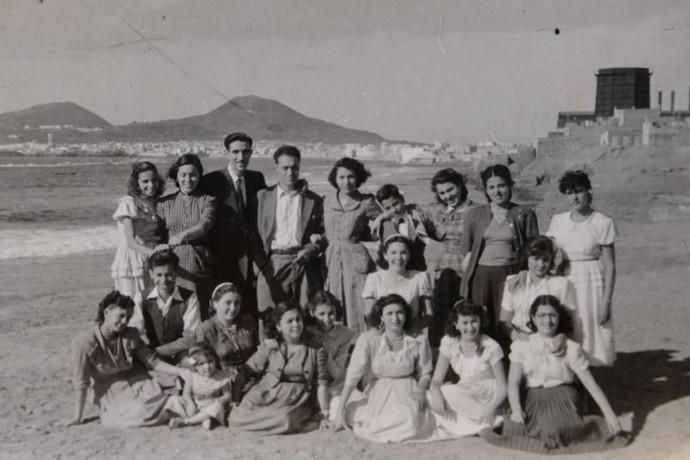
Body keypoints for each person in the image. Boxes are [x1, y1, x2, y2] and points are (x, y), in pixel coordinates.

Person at [480, 295, 628, 454]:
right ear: (533, 318)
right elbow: (513, 382)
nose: (547, 321)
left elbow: (590, 384)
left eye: (552, 315)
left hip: (563, 396)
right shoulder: (521, 346)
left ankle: (590, 426)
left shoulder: (571, 348)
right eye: (542, 315)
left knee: (553, 431)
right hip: (532, 397)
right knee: (513, 427)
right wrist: (516, 410)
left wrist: (610, 416)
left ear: (559, 318)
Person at [333, 294, 441, 443]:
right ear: (381, 317)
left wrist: (421, 389)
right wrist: (340, 412)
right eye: (389, 313)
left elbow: (425, 373)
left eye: (399, 312)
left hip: (408, 389)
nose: (395, 318)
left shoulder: (418, 339)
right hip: (379, 391)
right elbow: (352, 377)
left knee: (411, 420)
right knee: (376, 423)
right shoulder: (369, 339)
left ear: (406, 315)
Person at [67, 291, 183, 428]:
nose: (124, 322)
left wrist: (180, 371)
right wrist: (77, 417)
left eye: (128, 318)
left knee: (158, 396)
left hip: (136, 379)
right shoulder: (83, 342)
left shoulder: (131, 333)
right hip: (108, 388)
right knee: (136, 411)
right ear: (106, 312)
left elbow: (152, 361)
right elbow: (81, 382)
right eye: (121, 316)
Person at [546, 170, 617, 367]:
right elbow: (550, 256)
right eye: (569, 192)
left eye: (579, 191)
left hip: (592, 282)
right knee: (567, 326)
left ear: (589, 192)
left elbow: (610, 265)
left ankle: (589, 387)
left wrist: (606, 301)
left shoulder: (602, 222)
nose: (574, 197)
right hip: (565, 280)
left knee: (590, 332)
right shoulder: (558, 221)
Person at [460, 164, 539, 340]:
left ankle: (512, 364)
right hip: (482, 276)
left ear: (510, 185)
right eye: (491, 187)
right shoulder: (474, 214)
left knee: (511, 322)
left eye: (501, 185)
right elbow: (466, 248)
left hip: (512, 275)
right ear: (486, 190)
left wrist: (525, 273)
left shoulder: (524, 213)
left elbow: (534, 249)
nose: (497, 191)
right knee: (482, 322)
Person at [228, 301, 330, 434]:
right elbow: (245, 372)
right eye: (290, 321)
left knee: (286, 419)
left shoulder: (315, 348)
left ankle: (295, 423)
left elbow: (322, 383)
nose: (295, 324)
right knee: (235, 418)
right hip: (266, 391)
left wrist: (323, 413)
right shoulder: (271, 346)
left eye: (298, 319)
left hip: (297, 398)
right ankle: (276, 422)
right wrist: (235, 399)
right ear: (279, 326)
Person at [201, 132, 267, 325]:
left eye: (245, 152)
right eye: (235, 152)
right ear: (227, 153)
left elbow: (269, 204)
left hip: (252, 255)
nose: (241, 157)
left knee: (248, 306)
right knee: (224, 307)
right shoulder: (211, 181)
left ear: (251, 153)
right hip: (223, 256)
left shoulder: (257, 178)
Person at [254, 146, 326, 316]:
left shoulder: (312, 199)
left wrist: (311, 249)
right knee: (269, 317)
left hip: (302, 261)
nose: (290, 172)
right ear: (276, 168)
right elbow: (252, 234)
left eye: (294, 167)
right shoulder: (262, 197)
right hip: (272, 262)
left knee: (304, 315)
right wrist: (260, 265)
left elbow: (325, 233)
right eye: (285, 168)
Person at [429, 301, 507, 436]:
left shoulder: (491, 346)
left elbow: (503, 386)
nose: (470, 327)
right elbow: (436, 380)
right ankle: (483, 424)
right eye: (465, 323)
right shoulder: (449, 342)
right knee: (431, 396)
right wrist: (436, 393)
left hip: (488, 394)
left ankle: (484, 419)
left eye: (474, 321)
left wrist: (491, 408)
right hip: (465, 391)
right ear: (456, 324)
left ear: (480, 322)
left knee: (447, 391)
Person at [323, 157, 379, 333]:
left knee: (358, 306)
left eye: (351, 177)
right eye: (341, 177)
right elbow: (323, 228)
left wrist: (383, 218)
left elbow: (386, 222)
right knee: (334, 304)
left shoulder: (366, 202)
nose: (346, 182)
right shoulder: (326, 200)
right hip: (331, 261)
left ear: (358, 177)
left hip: (356, 262)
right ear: (335, 178)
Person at [157, 153, 216, 319]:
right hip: (173, 267)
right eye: (183, 175)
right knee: (175, 312)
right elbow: (156, 235)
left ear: (199, 176)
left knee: (201, 310)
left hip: (199, 263)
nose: (188, 179)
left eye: (193, 175)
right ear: (176, 175)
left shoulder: (208, 200)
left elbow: (204, 226)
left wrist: (181, 236)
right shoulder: (163, 203)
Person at [422, 168, 474, 348]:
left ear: (460, 185)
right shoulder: (437, 211)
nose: (447, 196)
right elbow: (406, 210)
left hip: (466, 270)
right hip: (441, 272)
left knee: (465, 317)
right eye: (442, 193)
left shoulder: (475, 210)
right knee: (440, 318)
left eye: (450, 190)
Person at [499, 236, 576, 349]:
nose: (541, 264)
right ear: (527, 258)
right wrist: (516, 336)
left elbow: (569, 323)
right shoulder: (514, 281)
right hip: (519, 342)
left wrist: (560, 338)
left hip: (550, 343)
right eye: (536, 258)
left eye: (546, 259)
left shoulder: (562, 284)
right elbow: (504, 321)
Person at [130, 249, 200, 363]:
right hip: (149, 353)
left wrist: (161, 351)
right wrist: (148, 351)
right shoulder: (141, 297)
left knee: (193, 365)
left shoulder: (189, 298)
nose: (164, 280)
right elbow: (137, 332)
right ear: (151, 274)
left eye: (169, 275)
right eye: (159, 275)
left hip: (181, 353)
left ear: (176, 272)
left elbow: (191, 337)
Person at [110, 161, 166, 298]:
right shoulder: (128, 203)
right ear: (136, 183)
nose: (151, 185)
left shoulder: (156, 203)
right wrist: (154, 254)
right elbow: (130, 241)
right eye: (145, 181)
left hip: (150, 256)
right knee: (133, 303)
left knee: (152, 302)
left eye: (154, 180)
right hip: (133, 259)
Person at [195, 282, 257, 402]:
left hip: (251, 375)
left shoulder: (248, 321)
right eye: (228, 303)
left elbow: (257, 350)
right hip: (222, 380)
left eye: (237, 303)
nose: (233, 308)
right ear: (215, 303)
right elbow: (201, 361)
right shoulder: (206, 329)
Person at [362, 235, 432, 335]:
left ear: (409, 255)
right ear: (385, 255)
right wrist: (378, 333)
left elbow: (429, 314)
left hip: (410, 334)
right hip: (382, 334)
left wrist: (414, 329)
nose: (398, 257)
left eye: (403, 252)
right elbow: (368, 314)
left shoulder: (419, 278)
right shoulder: (374, 279)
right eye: (393, 252)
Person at [305, 290, 357, 422]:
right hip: (308, 385)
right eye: (321, 314)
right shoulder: (306, 331)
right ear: (312, 313)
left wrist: (323, 351)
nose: (327, 319)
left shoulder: (345, 334)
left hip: (334, 385)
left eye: (331, 313)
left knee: (346, 411)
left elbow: (337, 373)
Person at [167, 343, 234, 430]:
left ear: (215, 360)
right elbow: (186, 394)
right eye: (201, 364)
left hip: (211, 405)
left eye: (210, 361)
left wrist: (219, 400)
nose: (207, 366)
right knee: (174, 399)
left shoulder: (221, 376)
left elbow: (227, 395)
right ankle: (201, 418)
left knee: (217, 406)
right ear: (194, 366)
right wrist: (190, 403)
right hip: (196, 405)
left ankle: (187, 421)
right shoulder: (192, 376)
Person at [371, 183, 433, 271]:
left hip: (416, 270)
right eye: (388, 208)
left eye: (396, 204)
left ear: (402, 199)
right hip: (392, 273)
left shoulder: (416, 216)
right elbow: (381, 252)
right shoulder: (384, 224)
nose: (394, 210)